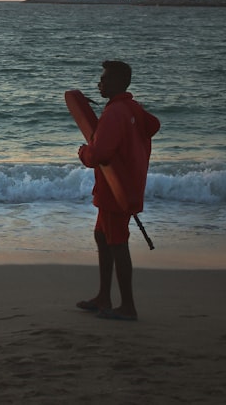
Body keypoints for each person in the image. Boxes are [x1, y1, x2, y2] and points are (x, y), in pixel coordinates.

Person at [76, 60, 160, 321]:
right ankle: (103, 296)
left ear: (117, 83)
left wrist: (83, 152)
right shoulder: (132, 108)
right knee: (102, 237)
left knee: (117, 243)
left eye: (104, 79)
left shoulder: (115, 113)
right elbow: (152, 125)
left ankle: (128, 306)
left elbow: (100, 153)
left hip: (116, 188)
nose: (99, 83)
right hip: (123, 184)